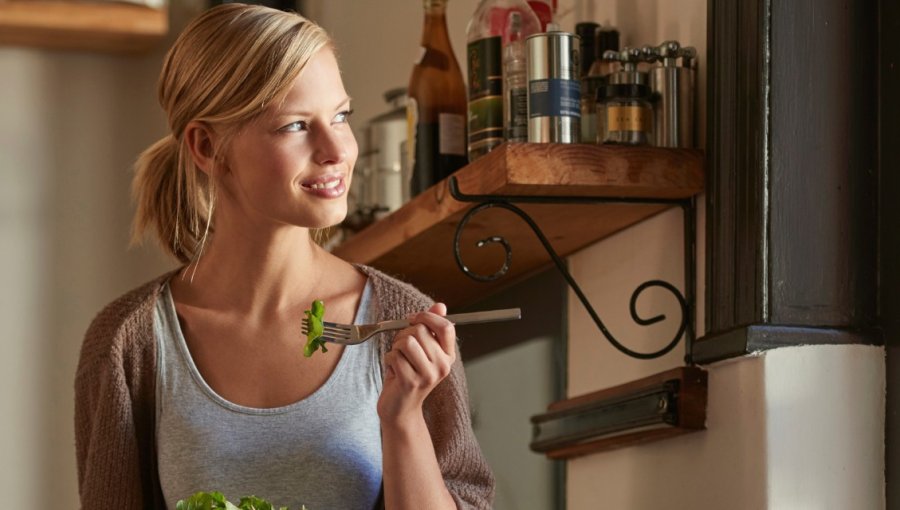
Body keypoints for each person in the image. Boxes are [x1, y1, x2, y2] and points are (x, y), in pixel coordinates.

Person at [73, 4, 494, 509]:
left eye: (340, 116)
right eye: (295, 126)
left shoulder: (402, 325)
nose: (336, 149)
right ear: (206, 147)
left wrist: (403, 419)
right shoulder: (127, 344)